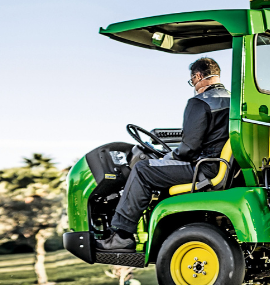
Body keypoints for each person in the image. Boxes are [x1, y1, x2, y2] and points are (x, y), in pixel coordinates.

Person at [96, 57, 230, 252]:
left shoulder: (199, 102)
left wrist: (168, 158)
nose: (193, 85)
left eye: (192, 80)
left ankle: (121, 235)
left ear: (198, 76)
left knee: (142, 169)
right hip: (221, 165)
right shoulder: (234, 100)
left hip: (204, 168)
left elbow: (189, 148)